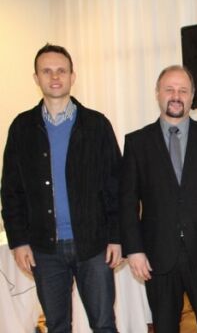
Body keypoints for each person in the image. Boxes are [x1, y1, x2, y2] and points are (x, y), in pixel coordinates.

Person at [1, 44, 122, 332]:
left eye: (61, 71)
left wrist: (117, 237)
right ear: (36, 78)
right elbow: (11, 190)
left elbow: (116, 186)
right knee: (56, 325)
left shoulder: (96, 125)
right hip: (44, 248)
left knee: (104, 324)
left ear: (72, 76)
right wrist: (18, 241)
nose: (55, 77)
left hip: (94, 246)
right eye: (47, 71)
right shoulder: (21, 128)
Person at [119, 65, 197, 333]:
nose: (176, 96)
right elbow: (127, 202)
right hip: (158, 255)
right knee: (165, 327)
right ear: (157, 94)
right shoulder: (137, 143)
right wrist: (134, 250)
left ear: (192, 96)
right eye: (169, 89)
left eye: (183, 90)